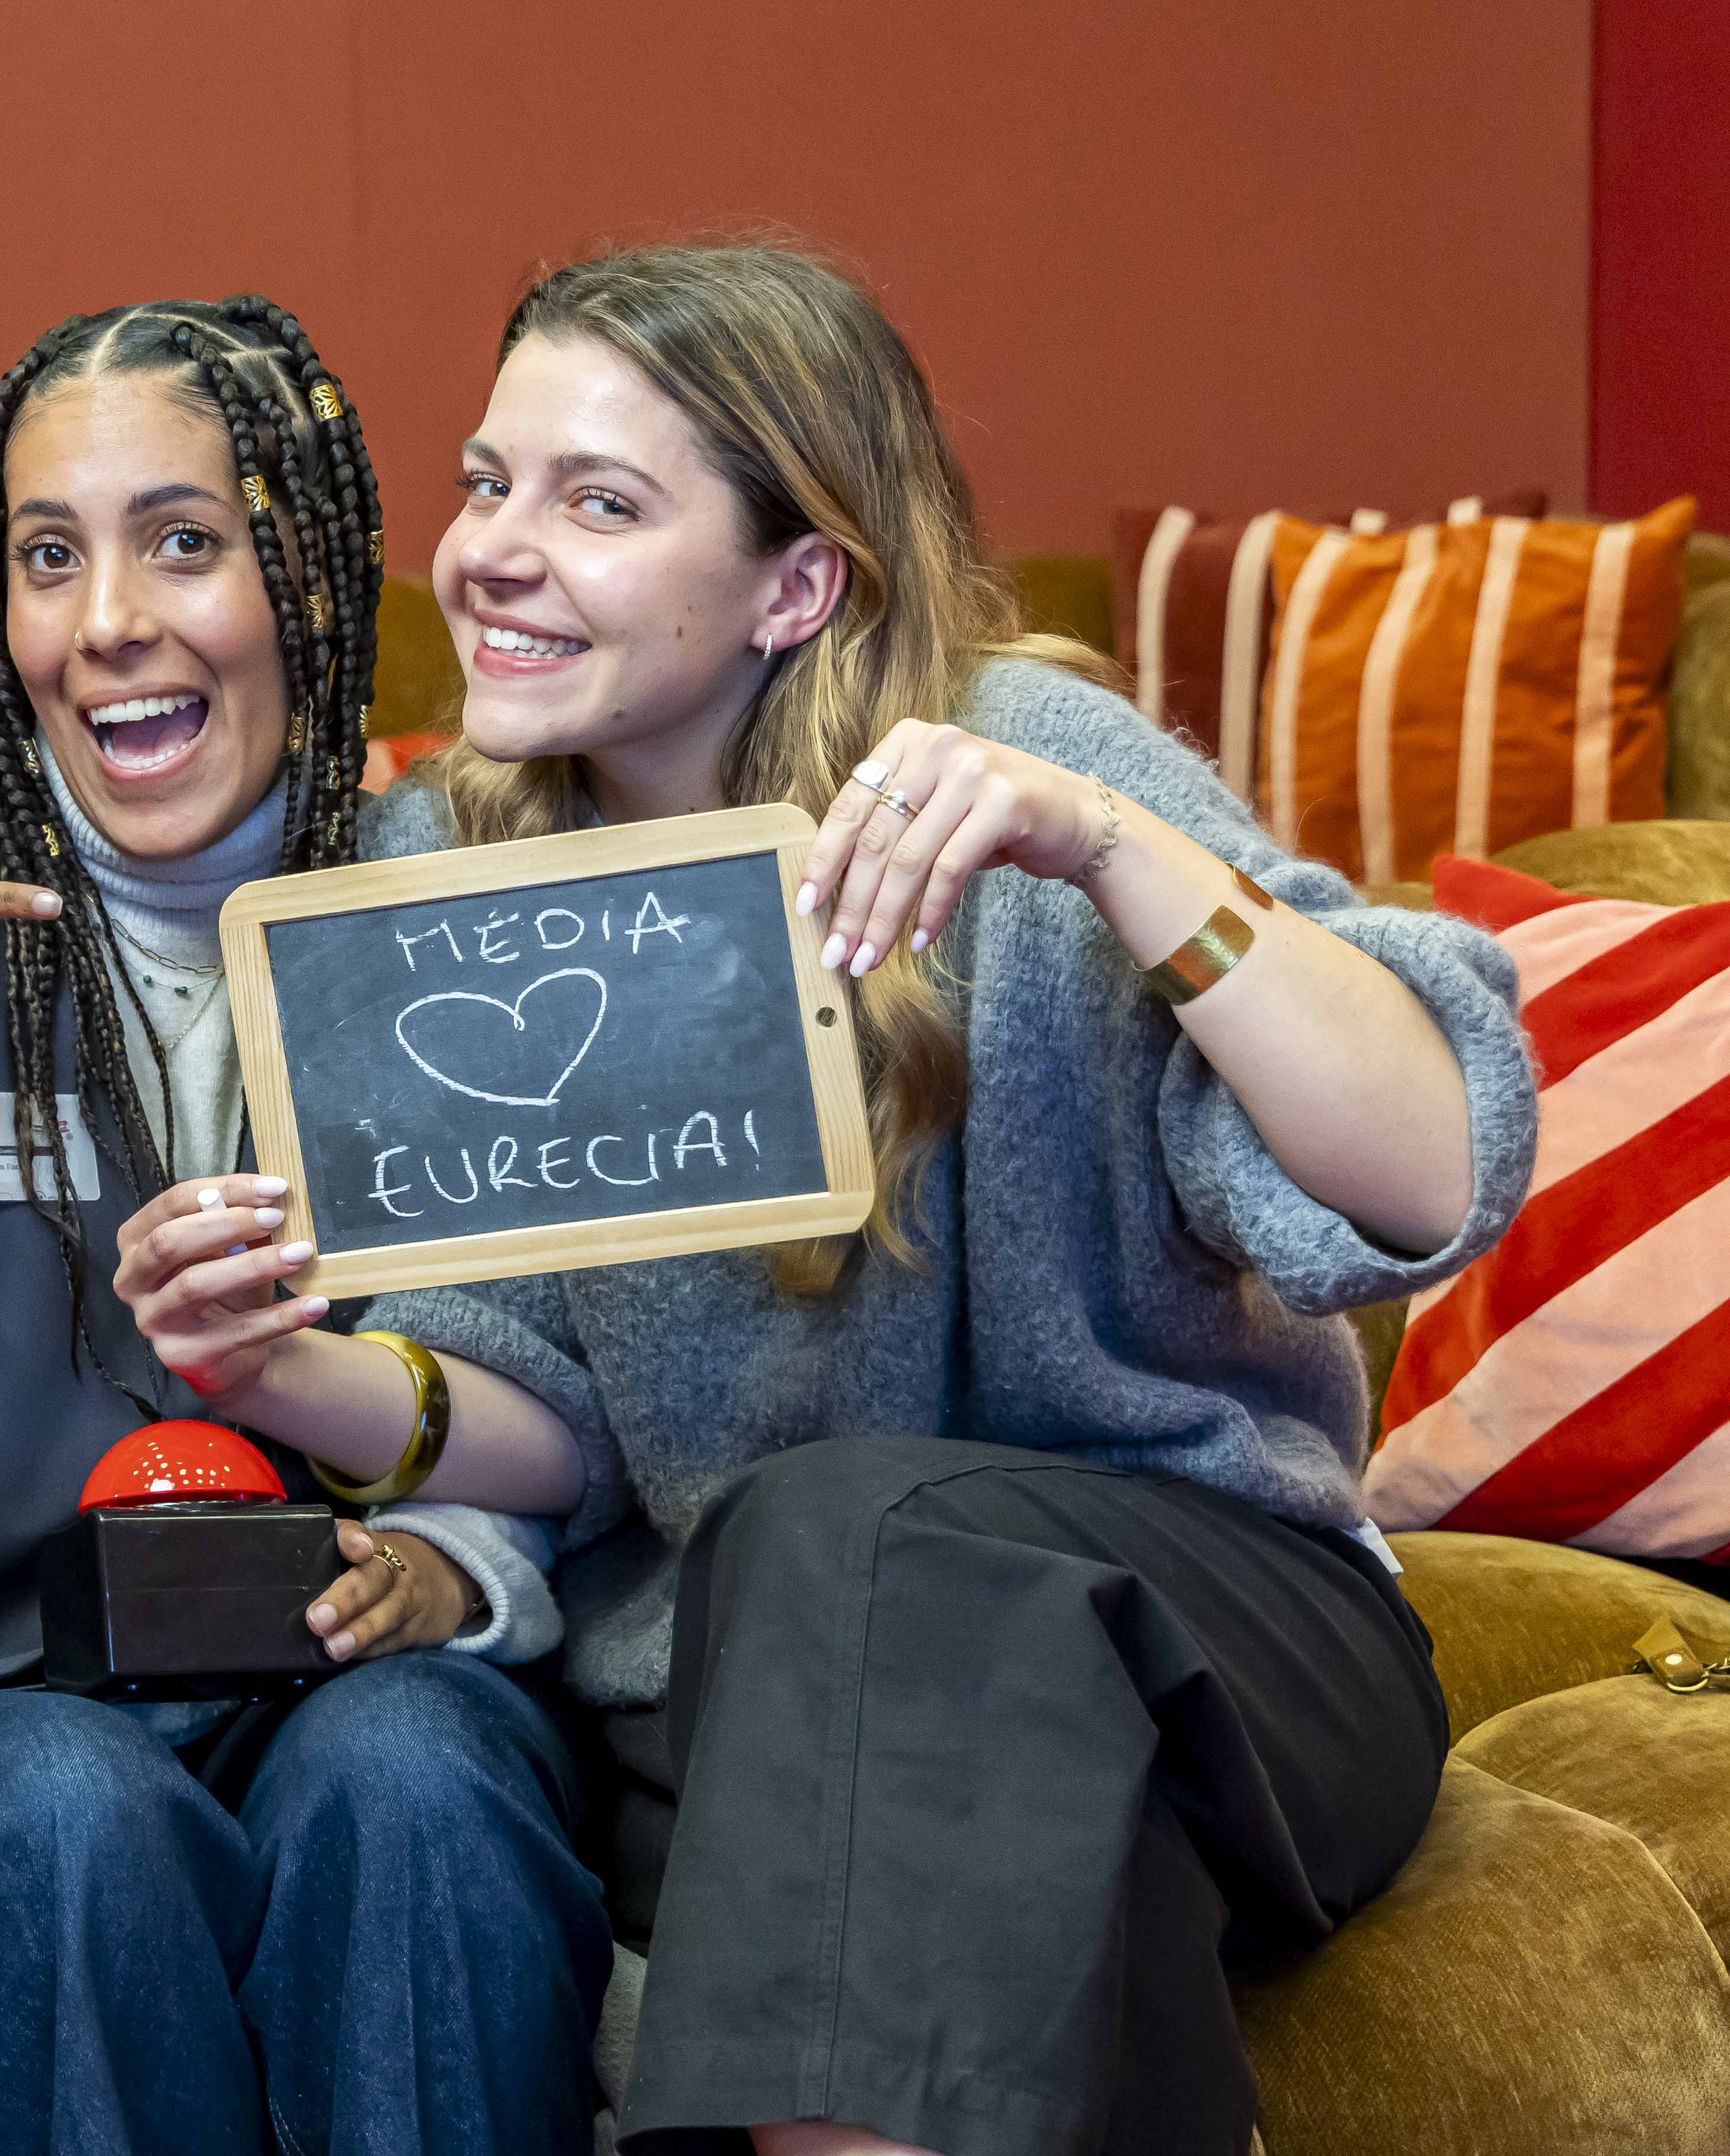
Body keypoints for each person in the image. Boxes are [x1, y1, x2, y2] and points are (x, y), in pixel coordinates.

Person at [118, 245, 1537, 2156]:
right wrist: (278, 1364)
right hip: (746, 1723)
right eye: (485, 483)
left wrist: (1107, 851)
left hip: (1213, 1652)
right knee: (860, 1635)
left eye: (596, 501)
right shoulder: (439, 870)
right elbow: (538, 1422)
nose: (488, 553)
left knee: (857, 1528)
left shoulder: (1029, 774)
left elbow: (1428, 1173)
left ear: (796, 582)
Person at [0, 298, 611, 2156]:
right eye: (46, 559)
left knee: (419, 1773)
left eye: (183, 542)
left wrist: (464, 1570)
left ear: (306, 575)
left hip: (325, 1672)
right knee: (70, 1807)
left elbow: (574, 1371)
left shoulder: (455, 903)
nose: (107, 628)